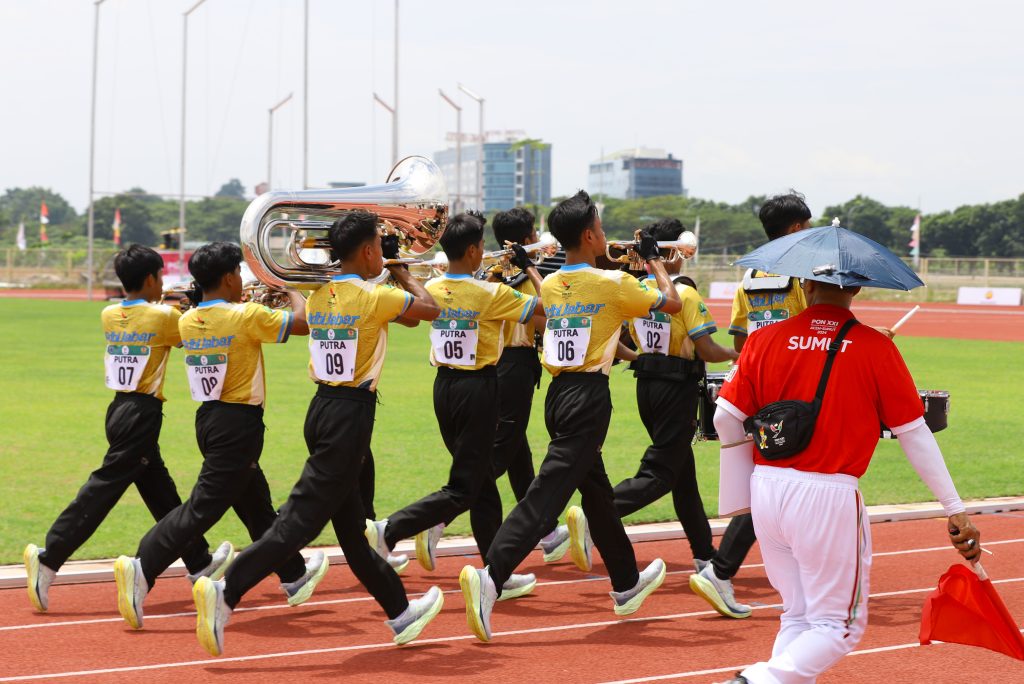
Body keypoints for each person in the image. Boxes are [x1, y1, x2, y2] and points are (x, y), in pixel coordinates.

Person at [192, 211, 446, 655]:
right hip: (349, 416)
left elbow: (402, 319)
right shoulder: (377, 295)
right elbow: (429, 311)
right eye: (378, 248)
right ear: (369, 251)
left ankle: (400, 613)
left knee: (351, 530)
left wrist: (383, 277)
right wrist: (402, 271)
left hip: (323, 410)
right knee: (298, 523)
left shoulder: (322, 293)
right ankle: (226, 592)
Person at [713, 276, 981, 684]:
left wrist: (741, 486)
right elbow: (913, 432)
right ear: (856, 289)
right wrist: (955, 508)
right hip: (828, 493)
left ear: (804, 284)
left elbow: (723, 418)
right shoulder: (875, 346)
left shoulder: (764, 339)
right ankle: (756, 681)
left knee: (800, 615)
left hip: (766, 488)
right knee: (839, 626)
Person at [458, 190, 680, 642]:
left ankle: (625, 582)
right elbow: (671, 302)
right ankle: (492, 576)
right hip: (588, 396)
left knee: (596, 492)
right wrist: (655, 261)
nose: (604, 234)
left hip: (557, 395)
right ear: (589, 233)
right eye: (599, 227)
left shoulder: (556, 282)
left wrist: (532, 267)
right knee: (545, 496)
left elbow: (553, 297)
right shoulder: (613, 283)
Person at [113, 241, 320, 630]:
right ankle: (144, 566)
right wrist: (289, 286)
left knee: (255, 501)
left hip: (208, 419)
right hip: (237, 423)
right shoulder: (245, 315)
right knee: (203, 507)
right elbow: (304, 322)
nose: (242, 280)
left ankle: (293, 573)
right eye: (239, 274)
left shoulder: (188, 320)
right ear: (228, 278)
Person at [23, 245, 224, 613]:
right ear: (151, 279)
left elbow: (150, 316)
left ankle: (199, 560)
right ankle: (49, 558)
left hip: (118, 408)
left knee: (159, 489)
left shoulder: (109, 313)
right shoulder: (163, 317)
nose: (163, 282)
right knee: (104, 488)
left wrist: (170, 301)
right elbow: (190, 334)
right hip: (142, 412)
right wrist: (193, 301)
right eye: (161, 277)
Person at [365, 211, 544, 601]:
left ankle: (496, 570)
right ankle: (391, 529)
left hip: (443, 388)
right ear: (475, 249)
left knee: (481, 486)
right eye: (481, 247)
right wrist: (530, 269)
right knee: (466, 487)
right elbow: (549, 310)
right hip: (479, 387)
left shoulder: (432, 287)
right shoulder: (490, 293)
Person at [690, 193, 813, 619]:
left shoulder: (750, 276)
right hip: (797, 394)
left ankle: (785, 574)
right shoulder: (805, 277)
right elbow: (817, 331)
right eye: (808, 225)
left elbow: (742, 342)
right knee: (787, 482)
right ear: (796, 229)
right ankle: (722, 570)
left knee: (776, 481)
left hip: (760, 389)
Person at [594, 218, 738, 574]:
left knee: (682, 475)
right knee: (661, 472)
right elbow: (705, 348)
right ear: (671, 251)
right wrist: (739, 355)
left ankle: (704, 552)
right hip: (677, 388)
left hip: (647, 387)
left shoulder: (639, 290)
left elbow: (623, 343)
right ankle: (597, 512)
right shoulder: (684, 293)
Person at [488, 207, 570, 563]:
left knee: (518, 452)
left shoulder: (490, 273)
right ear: (524, 240)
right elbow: (550, 316)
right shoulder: (522, 276)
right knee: (503, 450)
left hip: (493, 365)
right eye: (534, 232)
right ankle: (445, 509)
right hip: (515, 365)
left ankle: (547, 530)